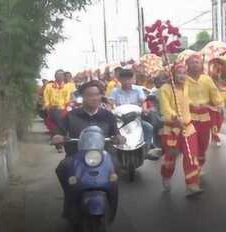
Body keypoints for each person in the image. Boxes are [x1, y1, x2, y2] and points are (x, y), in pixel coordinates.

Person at [52, 81, 125, 219]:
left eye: (97, 94)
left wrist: (119, 138)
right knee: (62, 168)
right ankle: (69, 199)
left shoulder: (108, 115)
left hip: (104, 155)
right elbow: (59, 131)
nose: (94, 98)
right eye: (90, 95)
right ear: (82, 97)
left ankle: (111, 199)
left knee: (116, 166)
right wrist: (57, 137)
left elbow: (116, 133)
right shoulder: (72, 115)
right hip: (76, 156)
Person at [158, 64, 204, 197]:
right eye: (179, 72)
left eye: (184, 72)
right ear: (172, 74)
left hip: (188, 128)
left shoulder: (186, 86)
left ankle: (192, 184)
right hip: (172, 129)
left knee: (191, 156)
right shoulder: (164, 89)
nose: (182, 75)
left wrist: (194, 105)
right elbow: (165, 108)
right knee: (170, 158)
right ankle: (166, 176)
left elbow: (186, 101)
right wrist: (174, 117)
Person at [185, 54, 223, 169]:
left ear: (201, 65)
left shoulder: (206, 79)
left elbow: (215, 93)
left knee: (203, 143)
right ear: (187, 65)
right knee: (191, 143)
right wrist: (190, 103)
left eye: (197, 62)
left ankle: (199, 165)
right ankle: (192, 168)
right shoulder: (183, 79)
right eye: (192, 62)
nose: (195, 64)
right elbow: (180, 95)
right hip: (188, 116)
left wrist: (218, 103)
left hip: (205, 116)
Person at [109, 68, 159, 156]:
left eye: (129, 79)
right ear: (120, 80)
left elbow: (143, 102)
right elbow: (110, 103)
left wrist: (144, 109)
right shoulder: (115, 91)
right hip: (120, 120)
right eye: (124, 79)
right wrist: (109, 110)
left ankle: (146, 148)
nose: (127, 81)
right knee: (110, 134)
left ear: (133, 79)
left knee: (148, 128)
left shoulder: (138, 90)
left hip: (135, 119)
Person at [43, 70, 73, 152]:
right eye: (58, 75)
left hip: (63, 109)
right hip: (52, 109)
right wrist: (48, 105)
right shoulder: (49, 86)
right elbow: (46, 97)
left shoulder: (67, 87)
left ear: (64, 77)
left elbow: (67, 99)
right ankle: (63, 138)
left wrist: (65, 107)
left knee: (61, 121)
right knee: (56, 118)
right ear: (55, 76)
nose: (60, 77)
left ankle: (60, 142)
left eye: (61, 75)